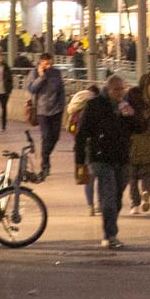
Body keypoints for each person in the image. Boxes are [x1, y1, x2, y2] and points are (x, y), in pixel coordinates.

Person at [74, 75, 142, 249]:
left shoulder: (127, 105)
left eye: (122, 89)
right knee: (109, 197)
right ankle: (110, 235)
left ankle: (110, 229)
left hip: (122, 158)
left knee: (117, 199)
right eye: (116, 90)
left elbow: (141, 128)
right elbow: (81, 134)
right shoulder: (95, 106)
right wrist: (80, 162)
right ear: (108, 90)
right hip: (100, 158)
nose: (120, 93)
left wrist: (131, 115)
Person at [25, 54, 67, 176]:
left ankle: (45, 155)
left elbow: (61, 90)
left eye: (50, 63)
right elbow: (31, 88)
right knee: (46, 136)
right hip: (42, 110)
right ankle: (45, 165)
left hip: (56, 110)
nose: (49, 66)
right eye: (46, 63)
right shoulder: (34, 73)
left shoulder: (56, 73)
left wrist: (62, 105)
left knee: (55, 137)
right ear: (41, 62)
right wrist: (42, 76)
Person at [66, 80, 102, 214]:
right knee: (99, 176)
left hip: (81, 144)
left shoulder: (77, 106)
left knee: (89, 178)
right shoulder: (97, 107)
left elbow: (70, 127)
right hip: (95, 145)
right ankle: (99, 204)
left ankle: (90, 206)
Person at [126, 85, 150, 213]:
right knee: (146, 175)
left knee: (132, 177)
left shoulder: (127, 111)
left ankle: (135, 204)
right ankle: (146, 192)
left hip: (132, 146)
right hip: (148, 144)